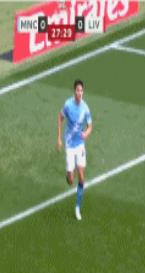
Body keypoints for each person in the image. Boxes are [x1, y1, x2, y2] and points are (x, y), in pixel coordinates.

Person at [57, 79, 92, 220]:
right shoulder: (68, 105)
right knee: (71, 180)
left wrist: (86, 133)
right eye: (78, 90)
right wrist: (59, 138)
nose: (79, 93)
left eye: (81, 90)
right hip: (70, 145)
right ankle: (68, 173)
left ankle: (77, 207)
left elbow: (90, 126)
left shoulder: (85, 108)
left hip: (80, 145)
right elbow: (60, 118)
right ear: (74, 91)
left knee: (81, 178)